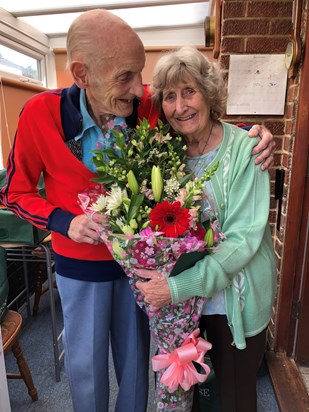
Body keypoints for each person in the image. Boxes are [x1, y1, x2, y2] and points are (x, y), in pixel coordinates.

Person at [0, 10, 275, 412]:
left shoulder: (141, 106)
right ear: (81, 74)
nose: (138, 88)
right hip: (81, 266)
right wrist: (65, 221)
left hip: (145, 267)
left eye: (139, 73)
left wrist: (254, 132)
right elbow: (14, 191)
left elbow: (196, 123)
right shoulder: (40, 114)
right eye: (125, 76)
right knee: (87, 370)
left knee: (137, 371)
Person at [136, 46, 277, 412]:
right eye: (169, 96)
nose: (180, 106)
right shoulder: (165, 156)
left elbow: (243, 240)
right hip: (184, 309)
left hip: (234, 305)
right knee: (191, 399)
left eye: (189, 91)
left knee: (233, 398)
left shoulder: (247, 150)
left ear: (209, 93)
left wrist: (175, 287)